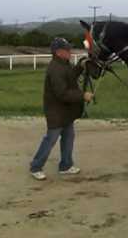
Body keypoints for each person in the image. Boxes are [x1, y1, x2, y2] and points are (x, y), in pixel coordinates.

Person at [30, 37, 94, 180]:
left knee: (68, 137)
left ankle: (65, 165)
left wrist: (80, 66)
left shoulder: (64, 64)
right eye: (67, 49)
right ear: (59, 52)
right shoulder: (55, 69)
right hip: (56, 111)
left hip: (66, 111)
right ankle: (36, 167)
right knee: (51, 139)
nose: (70, 51)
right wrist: (83, 95)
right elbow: (62, 93)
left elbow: (70, 77)